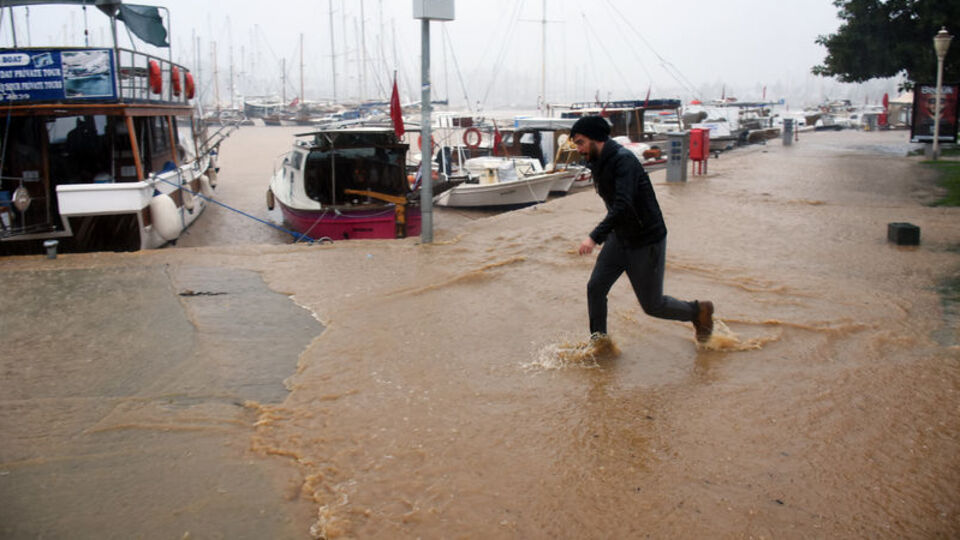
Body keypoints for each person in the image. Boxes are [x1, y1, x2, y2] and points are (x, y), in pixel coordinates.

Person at [571, 115, 714, 343]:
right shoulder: (598, 161)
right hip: (620, 238)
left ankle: (698, 311)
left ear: (596, 139)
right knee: (595, 288)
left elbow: (623, 205)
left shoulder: (623, 161)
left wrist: (594, 237)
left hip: (646, 241)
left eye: (580, 142)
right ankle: (599, 344)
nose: (578, 149)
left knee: (653, 305)